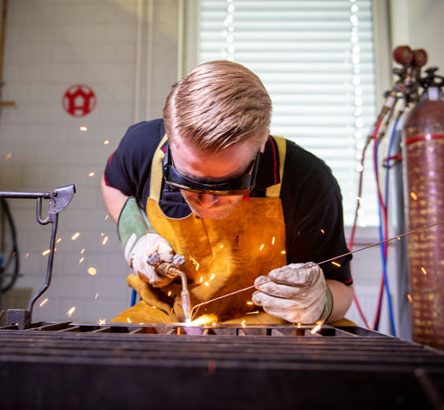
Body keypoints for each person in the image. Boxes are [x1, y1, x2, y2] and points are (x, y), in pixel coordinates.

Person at [101, 60, 353, 325]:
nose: (208, 201)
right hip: (167, 317)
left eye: (228, 184)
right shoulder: (142, 147)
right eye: (188, 180)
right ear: (169, 142)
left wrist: (319, 303)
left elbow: (343, 290)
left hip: (270, 324)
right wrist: (137, 236)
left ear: (261, 146)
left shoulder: (307, 179)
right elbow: (112, 186)